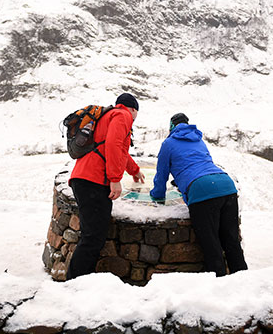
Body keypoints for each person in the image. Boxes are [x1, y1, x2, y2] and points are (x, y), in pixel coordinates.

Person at [150, 113, 247, 277]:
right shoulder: (198, 140)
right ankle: (244, 280)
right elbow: (200, 164)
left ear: (171, 127)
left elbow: (161, 175)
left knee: (212, 245)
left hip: (203, 192)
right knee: (231, 241)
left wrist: (157, 196)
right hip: (226, 185)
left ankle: (219, 285)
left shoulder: (168, 143)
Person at [66, 93, 145, 279]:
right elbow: (114, 144)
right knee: (92, 238)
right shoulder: (122, 115)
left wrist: (134, 170)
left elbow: (117, 149)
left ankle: (78, 281)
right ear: (133, 109)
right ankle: (73, 284)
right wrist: (115, 179)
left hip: (83, 178)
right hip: (93, 182)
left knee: (91, 236)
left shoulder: (106, 116)